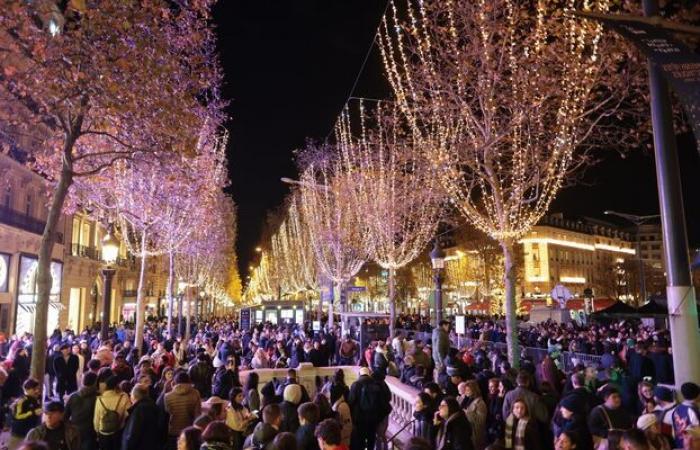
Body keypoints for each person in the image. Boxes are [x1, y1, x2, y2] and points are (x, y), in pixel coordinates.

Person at [348, 367, 390, 450]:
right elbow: (381, 402)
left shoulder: (356, 384)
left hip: (359, 419)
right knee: (371, 439)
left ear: (359, 374)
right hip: (373, 418)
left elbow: (351, 401)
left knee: (360, 440)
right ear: (369, 373)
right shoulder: (376, 384)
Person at [165, 372, 202, 450]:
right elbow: (197, 415)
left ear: (174, 382)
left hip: (173, 430)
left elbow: (166, 415)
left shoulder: (167, 396)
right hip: (189, 431)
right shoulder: (195, 393)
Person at [93, 375, 131, 450]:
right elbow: (128, 414)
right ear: (117, 385)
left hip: (103, 432)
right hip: (118, 431)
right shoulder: (124, 397)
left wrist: (97, 432)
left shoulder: (99, 400)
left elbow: (96, 419)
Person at [65, 372, 99, 450]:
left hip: (74, 431)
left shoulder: (73, 396)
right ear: (95, 382)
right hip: (90, 432)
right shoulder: (97, 398)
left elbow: (65, 416)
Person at [121, 384, 160, 450]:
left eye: (131, 395)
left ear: (134, 397)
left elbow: (132, 435)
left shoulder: (139, 410)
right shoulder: (152, 405)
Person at [9, 379, 43, 450]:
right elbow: (17, 416)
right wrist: (33, 412)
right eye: (34, 389)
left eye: (38, 389)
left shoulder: (37, 399)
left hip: (31, 432)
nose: (37, 391)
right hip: (19, 434)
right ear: (26, 389)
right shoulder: (21, 401)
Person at [459, 380, 487, 450]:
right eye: (465, 390)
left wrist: (467, 413)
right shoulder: (466, 400)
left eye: (468, 390)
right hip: (465, 431)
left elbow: (481, 421)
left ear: (474, 390)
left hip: (474, 433)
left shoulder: (480, 403)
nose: (466, 392)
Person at [671, 382, 700, 449]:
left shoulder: (676, 409)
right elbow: (697, 431)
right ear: (698, 395)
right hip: (691, 446)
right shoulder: (692, 410)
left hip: (680, 444)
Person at [330, 383, 352, 448]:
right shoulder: (337, 405)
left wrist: (338, 436)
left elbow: (348, 426)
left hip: (343, 441)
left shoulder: (343, 406)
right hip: (340, 440)